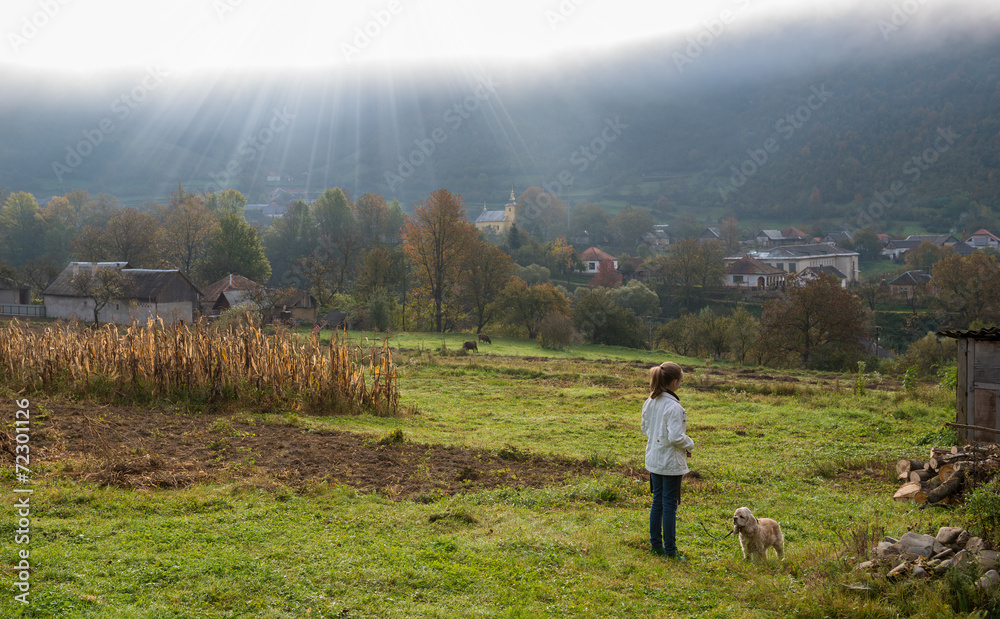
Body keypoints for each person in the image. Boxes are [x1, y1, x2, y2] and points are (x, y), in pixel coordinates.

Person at [640, 361, 694, 559]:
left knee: (658, 502)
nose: (680, 384)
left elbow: (645, 429)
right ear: (674, 382)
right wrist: (690, 444)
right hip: (669, 463)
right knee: (669, 505)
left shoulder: (650, 401)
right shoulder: (674, 407)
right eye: (680, 381)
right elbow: (676, 437)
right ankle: (670, 551)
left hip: (654, 459)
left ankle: (656, 546)